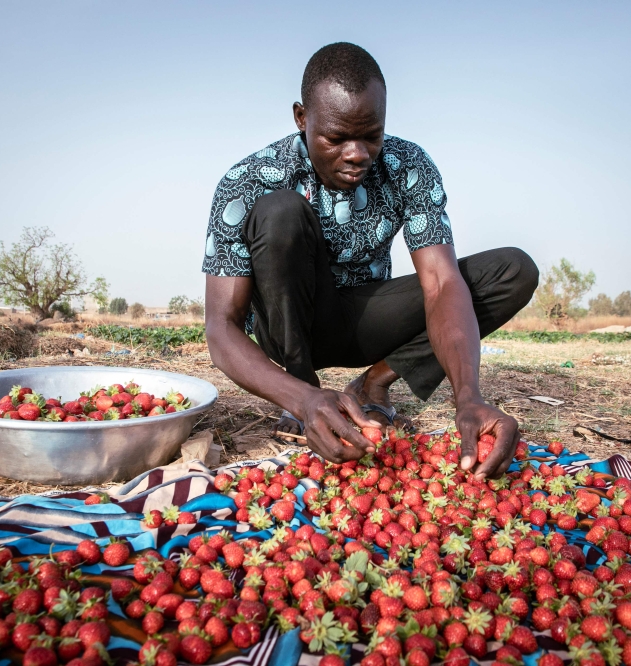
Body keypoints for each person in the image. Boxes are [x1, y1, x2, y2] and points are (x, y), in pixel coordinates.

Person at [202, 43, 539, 480]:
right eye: (337, 138)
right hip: (287, 330)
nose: (358, 153)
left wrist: (468, 396)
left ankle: (372, 382)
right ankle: (312, 396)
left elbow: (439, 281)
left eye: (372, 135)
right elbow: (220, 327)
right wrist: (301, 398)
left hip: (363, 321)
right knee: (279, 212)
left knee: (513, 270)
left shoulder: (408, 166)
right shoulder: (247, 180)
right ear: (302, 118)